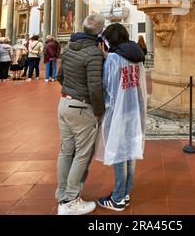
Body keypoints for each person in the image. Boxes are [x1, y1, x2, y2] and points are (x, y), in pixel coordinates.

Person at [55, 13, 105, 216]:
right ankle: (70, 200)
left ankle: (62, 194)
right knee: (82, 154)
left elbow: (59, 76)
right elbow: (94, 87)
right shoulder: (92, 52)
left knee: (66, 151)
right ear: (99, 31)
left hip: (64, 103)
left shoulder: (68, 49)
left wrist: (71, 91)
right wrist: (99, 111)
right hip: (81, 107)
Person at [95, 23, 147, 212]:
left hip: (117, 110)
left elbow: (107, 86)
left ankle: (117, 198)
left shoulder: (114, 59)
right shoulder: (137, 57)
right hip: (135, 110)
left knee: (118, 152)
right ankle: (124, 193)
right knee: (130, 150)